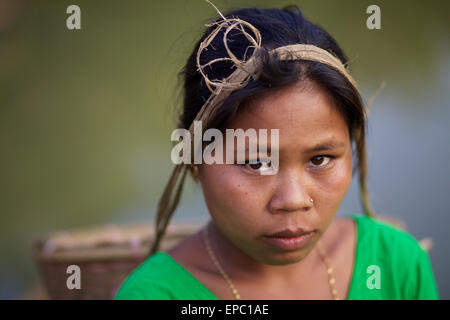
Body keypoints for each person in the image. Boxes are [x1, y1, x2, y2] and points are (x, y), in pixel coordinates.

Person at [114, 4, 439, 300]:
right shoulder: (154, 294)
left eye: (319, 159)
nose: (294, 200)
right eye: (256, 162)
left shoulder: (395, 266)